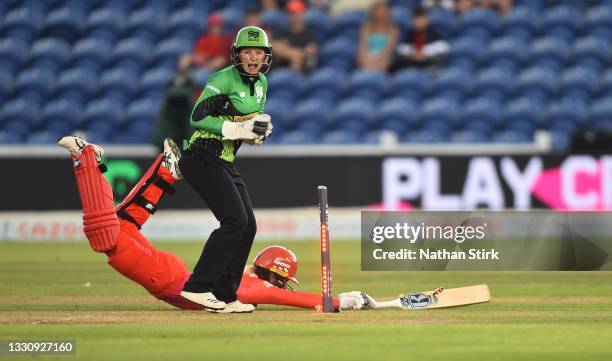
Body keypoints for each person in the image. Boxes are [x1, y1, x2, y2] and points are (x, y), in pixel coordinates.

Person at [56, 135, 369, 312]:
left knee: (120, 228)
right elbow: (297, 299)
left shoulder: (244, 276)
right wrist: (345, 301)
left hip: (173, 276)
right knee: (108, 236)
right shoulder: (258, 287)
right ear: (275, 275)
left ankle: (165, 172)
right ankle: (85, 158)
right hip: (166, 280)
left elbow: (286, 292)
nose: (281, 286)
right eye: (282, 280)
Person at [177, 26, 275, 313]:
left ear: (266, 55)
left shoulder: (262, 85)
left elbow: (246, 128)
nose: (253, 57)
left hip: (226, 160)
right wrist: (237, 128)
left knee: (248, 226)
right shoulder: (222, 79)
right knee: (234, 221)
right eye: (248, 52)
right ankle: (197, 287)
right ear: (237, 54)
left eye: (258, 52)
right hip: (201, 156)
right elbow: (198, 118)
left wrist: (256, 133)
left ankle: (225, 294)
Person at [391, 6, 449, 71]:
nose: (419, 22)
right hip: (412, 65)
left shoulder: (434, 35)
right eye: (416, 20)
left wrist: (425, 54)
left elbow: (443, 48)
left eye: (422, 19)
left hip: (429, 65)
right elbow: (402, 49)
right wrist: (412, 54)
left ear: (427, 20)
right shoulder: (409, 35)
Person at [272, 0, 318, 73]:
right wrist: (294, 55)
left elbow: (311, 51)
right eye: (292, 13)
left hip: (303, 71)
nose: (295, 15)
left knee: (297, 61)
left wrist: (287, 51)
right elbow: (276, 48)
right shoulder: (283, 32)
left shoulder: (309, 34)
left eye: (298, 12)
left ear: (303, 13)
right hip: (281, 70)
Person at [357, 1, 399, 72]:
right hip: (368, 57)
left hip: (384, 58)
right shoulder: (366, 28)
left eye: (383, 11)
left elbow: (389, 49)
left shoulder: (393, 30)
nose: (381, 14)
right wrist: (365, 58)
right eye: (379, 11)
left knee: (385, 62)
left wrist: (378, 59)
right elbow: (363, 46)